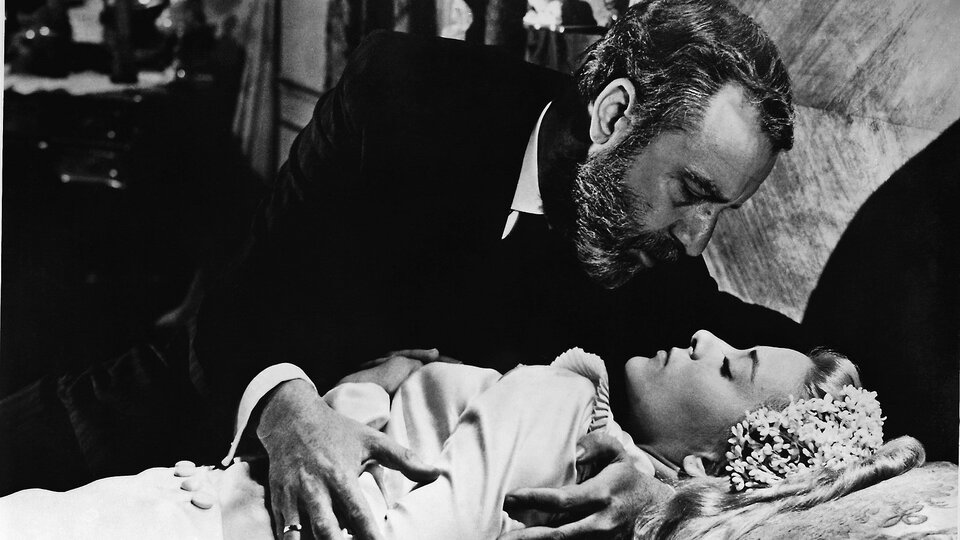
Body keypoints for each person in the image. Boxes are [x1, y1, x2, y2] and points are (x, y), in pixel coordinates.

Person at [193, 1, 804, 538]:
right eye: (691, 192)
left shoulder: (656, 262)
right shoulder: (399, 95)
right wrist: (285, 411)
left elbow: (792, 381)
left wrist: (669, 505)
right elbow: (237, 308)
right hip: (215, 464)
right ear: (614, 116)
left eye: (721, 209)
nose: (697, 240)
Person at [0, 331, 922, 539]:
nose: (707, 335)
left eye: (731, 368)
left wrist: (362, 393)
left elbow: (390, 531)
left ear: (712, 460)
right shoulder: (591, 442)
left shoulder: (561, 410)